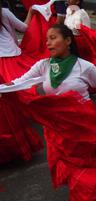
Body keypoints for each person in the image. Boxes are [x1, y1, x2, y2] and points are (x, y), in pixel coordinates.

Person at [8, 24, 96, 201]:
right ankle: (84, 192)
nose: (48, 42)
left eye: (53, 38)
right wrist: (4, 87)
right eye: (47, 39)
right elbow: (20, 81)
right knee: (64, 163)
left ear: (68, 41)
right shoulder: (44, 66)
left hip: (83, 127)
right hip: (57, 126)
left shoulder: (85, 67)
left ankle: (81, 197)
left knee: (85, 163)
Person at [0, 1, 42, 164]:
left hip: (6, 58)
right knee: (23, 90)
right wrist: (31, 12)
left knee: (9, 100)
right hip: (11, 57)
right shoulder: (4, 13)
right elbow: (24, 28)